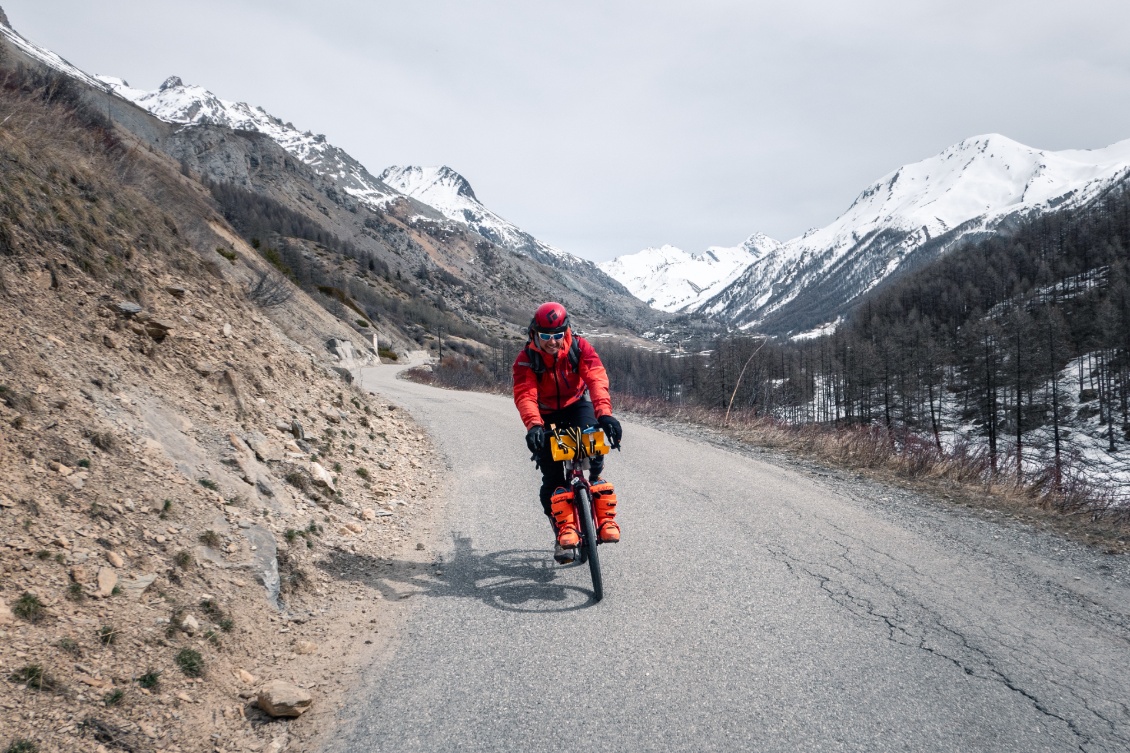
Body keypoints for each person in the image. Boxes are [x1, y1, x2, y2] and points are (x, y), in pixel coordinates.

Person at [512, 301, 624, 564]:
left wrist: (605, 414)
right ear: (534, 334)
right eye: (546, 336)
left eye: (558, 335)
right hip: (546, 413)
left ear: (566, 330)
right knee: (552, 480)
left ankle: (598, 499)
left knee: (594, 447)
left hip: (576, 405)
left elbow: (596, 378)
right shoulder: (526, 359)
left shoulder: (579, 347)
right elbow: (525, 395)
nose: (552, 342)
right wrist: (534, 426)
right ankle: (562, 530)